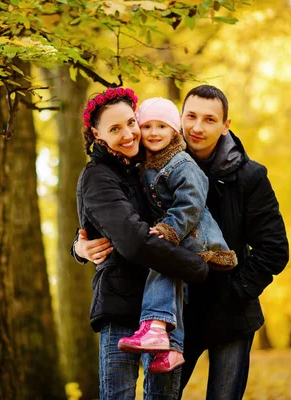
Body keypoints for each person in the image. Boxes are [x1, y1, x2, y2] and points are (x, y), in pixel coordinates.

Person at [74, 85, 289, 400]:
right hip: (179, 311)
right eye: (191, 116)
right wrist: (79, 247)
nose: (198, 127)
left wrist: (234, 290)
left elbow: (274, 250)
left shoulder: (249, 176)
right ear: (180, 117)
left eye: (210, 119)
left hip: (230, 311)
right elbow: (118, 216)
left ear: (225, 125)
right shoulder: (149, 164)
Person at [74, 86, 214, 400]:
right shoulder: (97, 176)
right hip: (122, 306)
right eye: (114, 129)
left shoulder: (152, 165)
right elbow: (133, 241)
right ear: (98, 135)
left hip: (166, 314)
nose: (128, 134)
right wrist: (196, 266)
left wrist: (78, 246)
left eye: (130, 122)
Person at [117, 98, 237, 375]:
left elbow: (191, 202)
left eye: (162, 126)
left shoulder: (180, 163)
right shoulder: (148, 165)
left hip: (195, 237)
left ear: (175, 131)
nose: (154, 132)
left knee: (162, 265)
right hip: (182, 237)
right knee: (177, 288)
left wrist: (168, 230)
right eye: (147, 126)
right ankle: (172, 349)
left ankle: (155, 325)